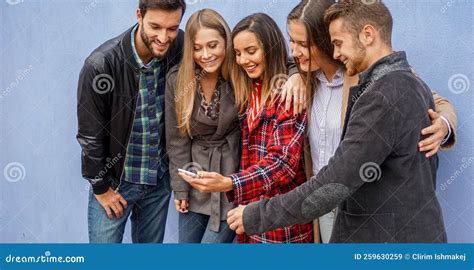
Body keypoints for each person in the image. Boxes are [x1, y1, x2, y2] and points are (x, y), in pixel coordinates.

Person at [228, 0, 448, 243]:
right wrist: (293, 76)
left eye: (338, 43)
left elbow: (337, 180)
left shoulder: (381, 94)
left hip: (386, 234)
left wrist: (255, 215)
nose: (335, 53)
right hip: (336, 213)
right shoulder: (392, 80)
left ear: (367, 34)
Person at [179, 13, 313, 243]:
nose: (243, 60)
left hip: (281, 226)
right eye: (239, 53)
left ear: (270, 47)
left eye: (251, 51)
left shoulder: (289, 95)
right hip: (249, 220)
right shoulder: (248, 87)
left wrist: (230, 183)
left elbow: (282, 163)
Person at [76, 0, 185, 243]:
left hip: (158, 180)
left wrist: (292, 73)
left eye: (172, 28)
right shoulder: (101, 64)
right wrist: (101, 188)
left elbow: (228, 57)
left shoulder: (181, 46)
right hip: (115, 183)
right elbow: (90, 136)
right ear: (139, 15)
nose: (164, 37)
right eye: (155, 26)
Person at [165, 9, 240, 243]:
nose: (205, 54)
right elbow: (177, 139)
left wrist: (294, 76)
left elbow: (278, 63)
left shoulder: (241, 72)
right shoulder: (178, 80)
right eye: (197, 48)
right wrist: (180, 188)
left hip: (231, 181)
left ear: (226, 43)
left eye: (213, 45)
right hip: (195, 179)